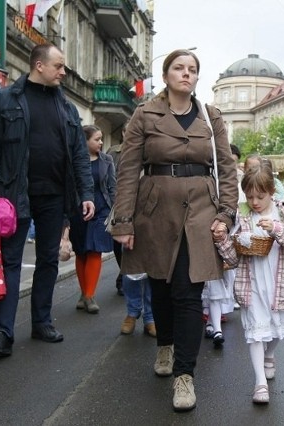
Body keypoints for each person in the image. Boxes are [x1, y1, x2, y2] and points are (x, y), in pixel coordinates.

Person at [109, 49, 238, 412]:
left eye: (192, 69)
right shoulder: (144, 114)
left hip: (200, 211)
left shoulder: (211, 117)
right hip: (154, 211)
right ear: (166, 76)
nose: (186, 74)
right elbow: (129, 169)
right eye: (179, 68)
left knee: (187, 291)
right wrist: (123, 221)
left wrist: (226, 214)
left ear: (197, 77)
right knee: (160, 287)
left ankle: (185, 375)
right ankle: (164, 344)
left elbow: (227, 168)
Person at [0, 43, 95, 356]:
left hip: (55, 196)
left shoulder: (67, 108)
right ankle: (3, 333)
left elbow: (80, 155)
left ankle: (42, 322)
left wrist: (87, 193)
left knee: (48, 260)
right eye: (59, 66)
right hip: (15, 195)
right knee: (10, 261)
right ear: (39, 65)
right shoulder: (4, 99)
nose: (63, 72)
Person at [214, 162, 284, 404]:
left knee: (277, 328)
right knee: (255, 331)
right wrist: (224, 239)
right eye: (250, 196)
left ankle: (270, 355)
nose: (255, 202)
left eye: (260, 196)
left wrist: (277, 228)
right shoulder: (243, 215)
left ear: (272, 193)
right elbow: (233, 258)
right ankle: (260, 383)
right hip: (252, 279)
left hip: (280, 280)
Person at [70, 125, 115, 314]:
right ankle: (84, 293)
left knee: (95, 251)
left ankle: (89, 295)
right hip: (79, 211)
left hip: (101, 210)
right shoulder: (74, 161)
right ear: (85, 141)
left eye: (101, 138)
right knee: (81, 251)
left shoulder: (107, 160)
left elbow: (112, 186)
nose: (101, 142)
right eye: (97, 139)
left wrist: (116, 210)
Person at [107, 121, 129, 296]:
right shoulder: (113, 152)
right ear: (123, 132)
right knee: (116, 243)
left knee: (131, 243)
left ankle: (124, 277)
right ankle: (124, 271)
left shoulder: (145, 150)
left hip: (136, 202)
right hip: (115, 202)